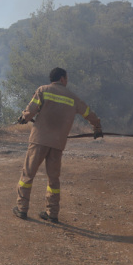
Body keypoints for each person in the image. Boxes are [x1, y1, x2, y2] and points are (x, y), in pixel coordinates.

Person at [13, 67, 102, 223]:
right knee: (53, 179)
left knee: (27, 175)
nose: (67, 81)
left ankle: (22, 209)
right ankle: (52, 213)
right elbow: (89, 113)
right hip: (57, 143)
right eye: (66, 78)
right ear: (62, 79)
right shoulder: (73, 97)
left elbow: (31, 110)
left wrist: (24, 118)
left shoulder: (43, 90)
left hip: (39, 140)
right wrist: (97, 128)